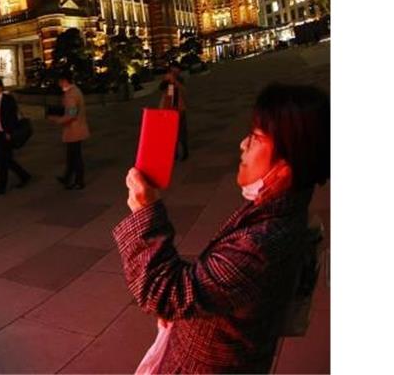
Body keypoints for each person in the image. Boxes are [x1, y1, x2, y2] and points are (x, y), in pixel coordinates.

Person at [113, 83, 330, 373]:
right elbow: (220, 286)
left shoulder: (263, 244)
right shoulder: (277, 212)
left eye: (255, 138)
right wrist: (192, 307)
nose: (243, 144)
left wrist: (145, 213)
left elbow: (164, 293)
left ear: (285, 166)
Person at [0, 78, 31, 196]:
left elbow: (12, 117)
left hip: (5, 135)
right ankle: (24, 176)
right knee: (7, 160)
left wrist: (8, 132)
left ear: (0, 88)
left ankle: (1, 187)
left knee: (3, 162)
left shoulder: (7, 99)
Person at [48, 70, 89, 190]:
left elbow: (71, 114)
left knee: (75, 157)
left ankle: (79, 181)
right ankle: (67, 177)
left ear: (64, 81)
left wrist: (58, 120)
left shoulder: (71, 94)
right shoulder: (75, 90)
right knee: (72, 156)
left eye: (60, 82)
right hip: (77, 129)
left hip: (74, 130)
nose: (59, 84)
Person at [160, 61, 189, 161]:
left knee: (182, 132)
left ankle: (185, 151)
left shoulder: (179, 79)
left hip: (180, 109)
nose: (175, 71)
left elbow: (183, 90)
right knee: (172, 133)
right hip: (169, 109)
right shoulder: (167, 79)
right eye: (173, 69)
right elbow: (163, 89)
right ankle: (175, 153)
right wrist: (169, 81)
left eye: (177, 69)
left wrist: (175, 82)